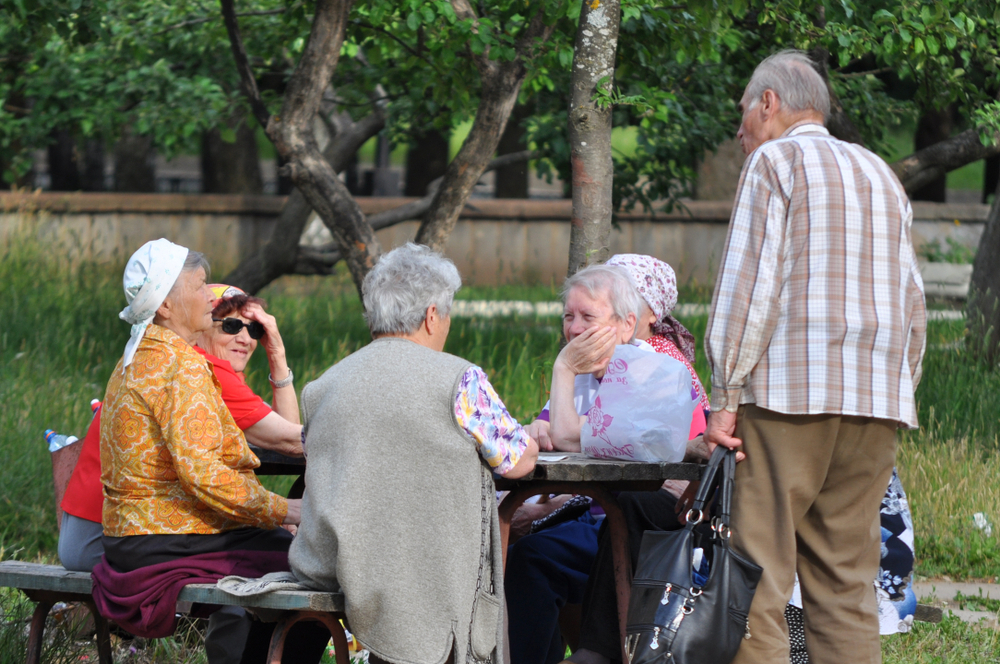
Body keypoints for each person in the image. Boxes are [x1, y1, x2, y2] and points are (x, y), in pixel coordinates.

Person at [704, 50, 925, 664]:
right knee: (847, 586)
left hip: (786, 399)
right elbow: (914, 301)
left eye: (743, 114)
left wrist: (725, 397)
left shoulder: (776, 160)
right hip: (876, 406)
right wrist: (898, 389)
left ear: (768, 103)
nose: (740, 130)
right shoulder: (881, 172)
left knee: (756, 577)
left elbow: (749, 293)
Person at [289, 243, 538, 664]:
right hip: (433, 572)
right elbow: (516, 464)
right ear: (431, 316)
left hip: (332, 565)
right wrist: (530, 439)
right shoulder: (460, 380)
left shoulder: (322, 387)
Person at [89, 238, 326, 664]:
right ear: (164, 306)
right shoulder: (181, 365)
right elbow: (204, 476)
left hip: (130, 540)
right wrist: (289, 510)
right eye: (199, 287)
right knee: (313, 564)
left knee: (289, 549)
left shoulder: (135, 358)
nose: (208, 296)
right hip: (163, 539)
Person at [507, 258, 711, 664]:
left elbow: (568, 434)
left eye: (588, 316)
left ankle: (592, 654)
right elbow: (545, 435)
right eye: (569, 316)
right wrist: (534, 430)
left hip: (647, 528)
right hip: (595, 516)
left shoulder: (654, 373)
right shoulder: (585, 375)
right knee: (527, 559)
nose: (575, 329)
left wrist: (562, 369)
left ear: (626, 323)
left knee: (552, 550)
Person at [58, 284, 305, 572]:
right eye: (231, 325)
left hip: (97, 531)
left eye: (255, 331)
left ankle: (233, 616)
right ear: (201, 328)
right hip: (108, 539)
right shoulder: (197, 367)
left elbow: (287, 438)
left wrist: (276, 354)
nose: (245, 338)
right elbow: (292, 441)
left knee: (257, 539)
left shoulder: (170, 357)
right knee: (280, 551)